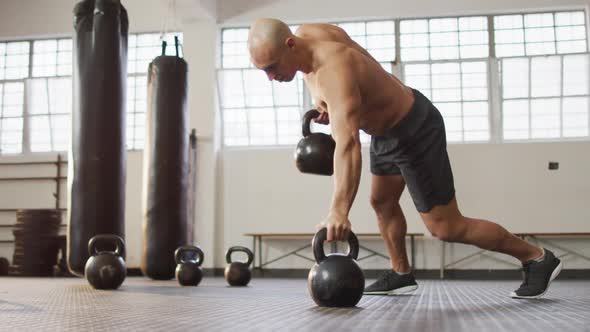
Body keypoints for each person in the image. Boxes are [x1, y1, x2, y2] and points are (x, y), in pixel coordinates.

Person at [247, 18, 562, 298]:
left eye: (272, 68)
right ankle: (401, 273)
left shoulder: (334, 72)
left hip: (414, 129)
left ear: (290, 45)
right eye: (264, 71)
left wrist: (338, 211)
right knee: (382, 202)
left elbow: (348, 145)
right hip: (385, 131)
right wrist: (338, 107)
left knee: (446, 227)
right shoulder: (312, 33)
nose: (271, 78)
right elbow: (364, 66)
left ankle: (536, 257)